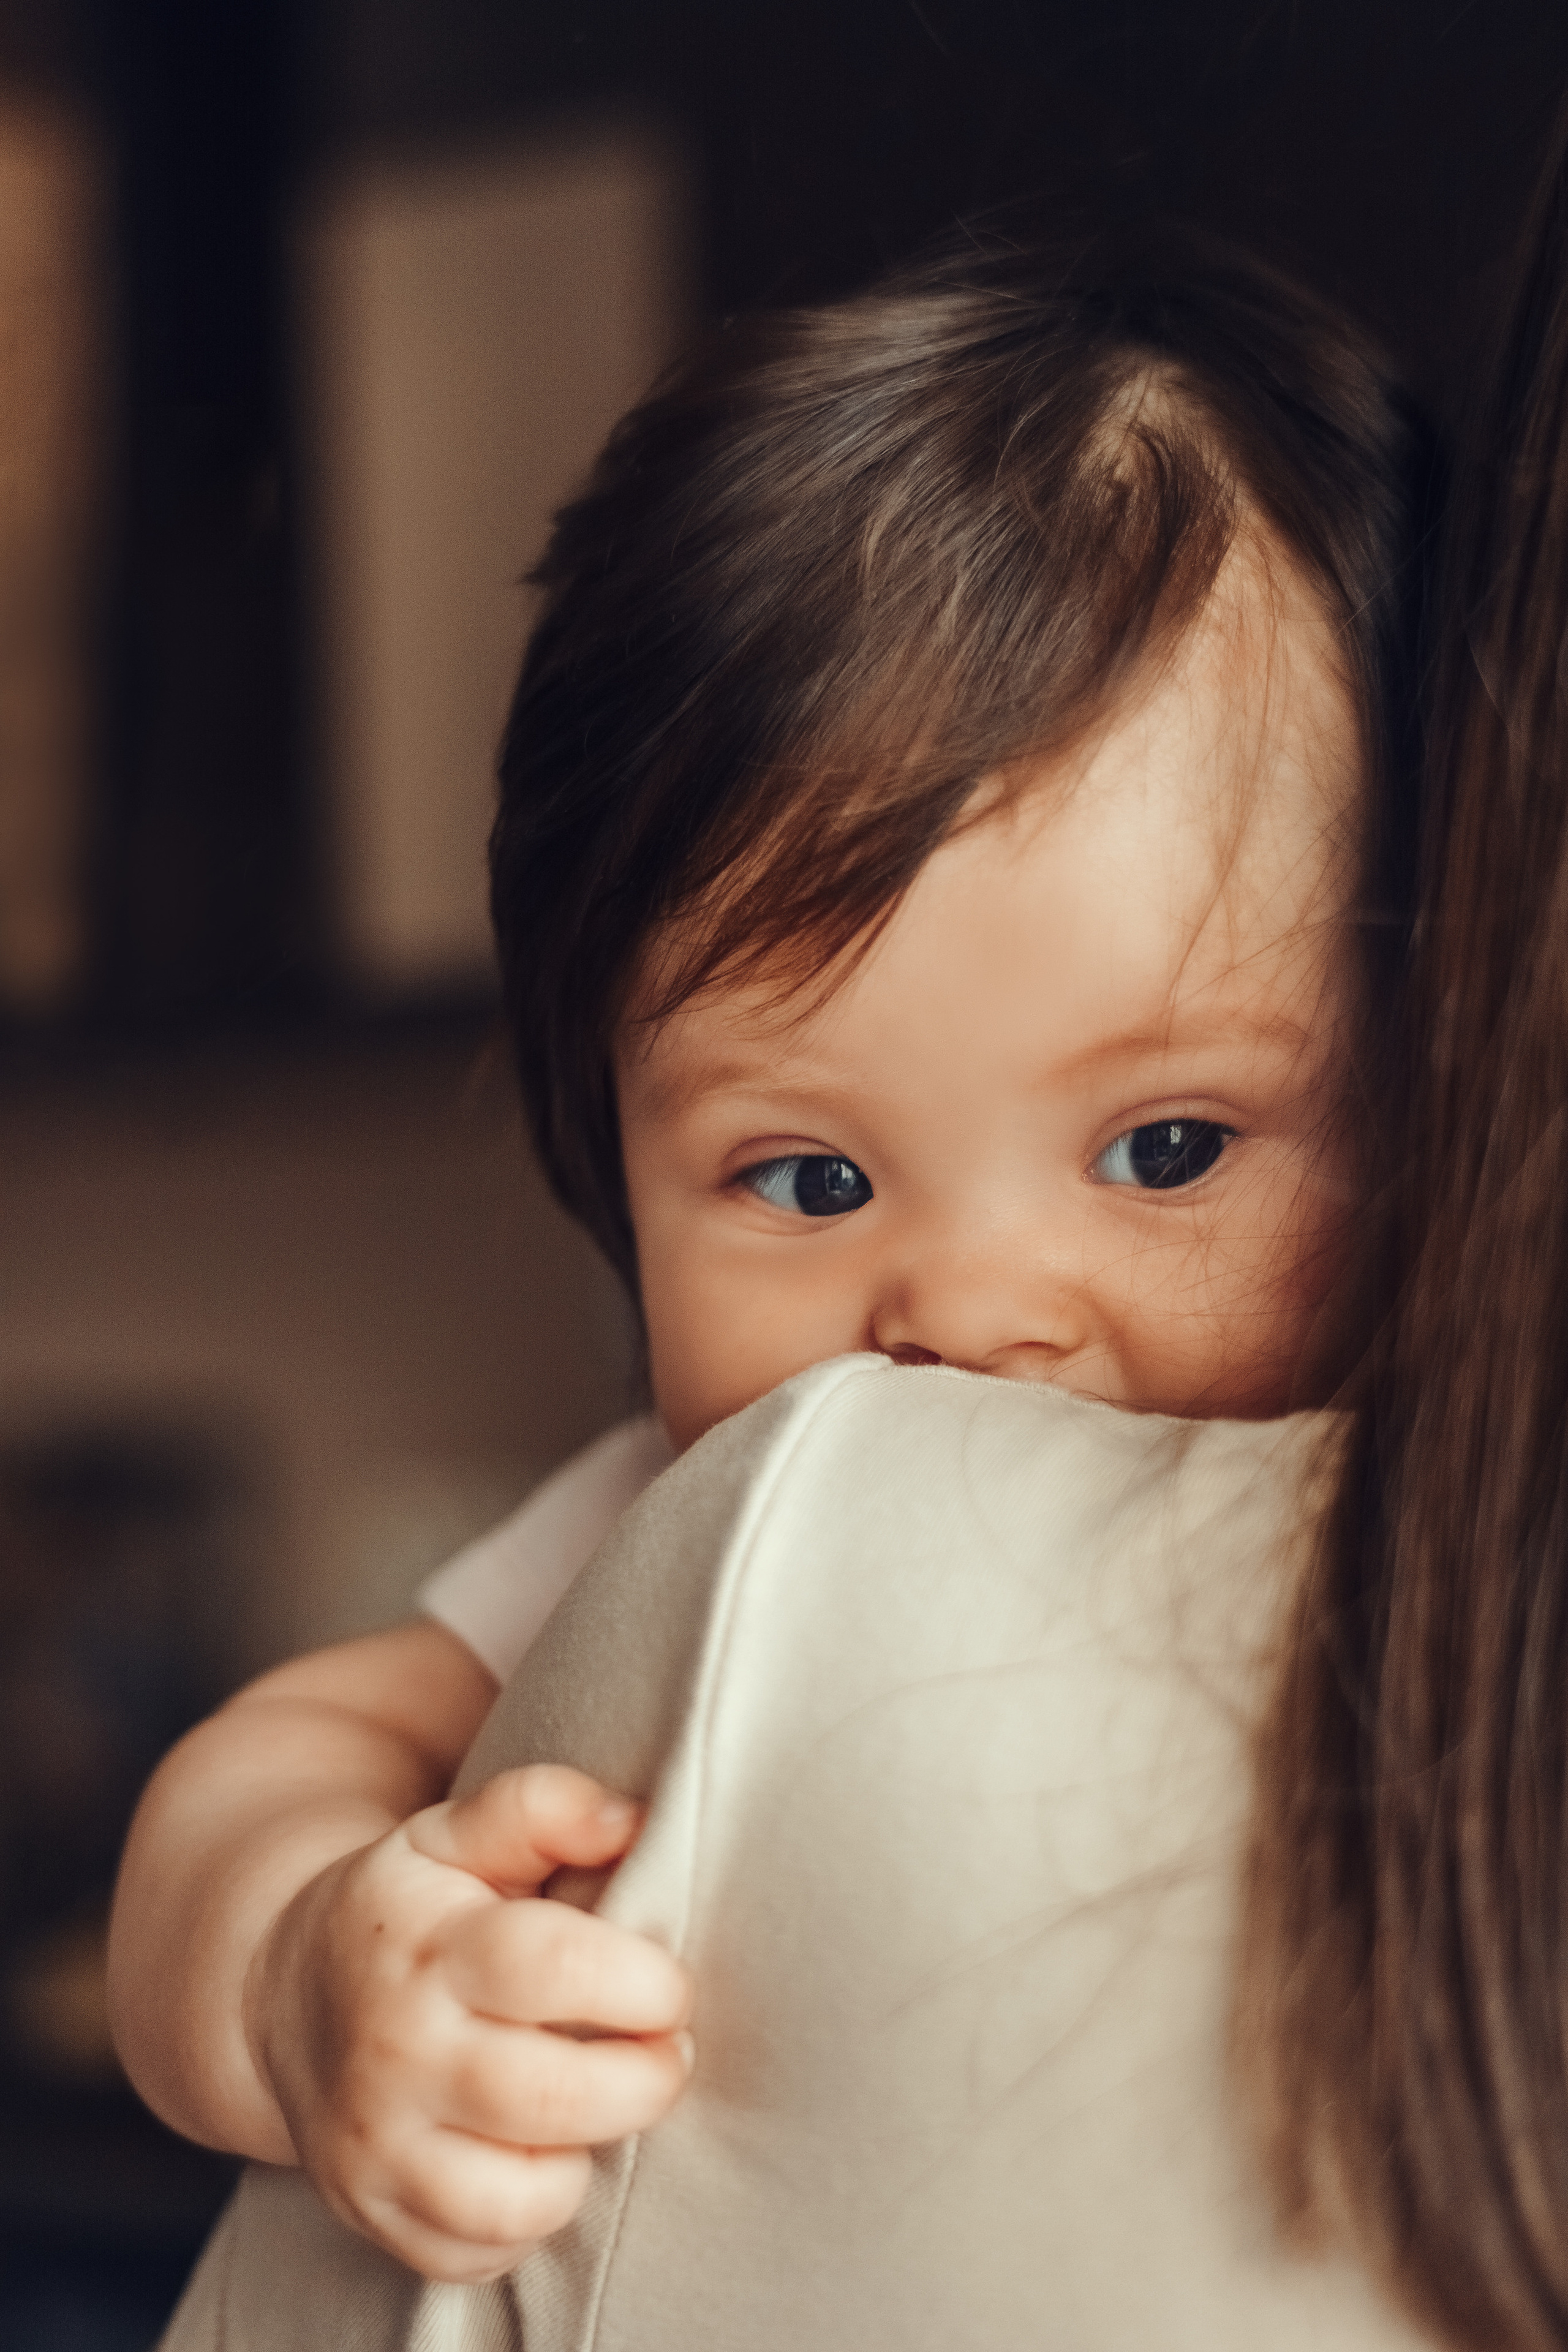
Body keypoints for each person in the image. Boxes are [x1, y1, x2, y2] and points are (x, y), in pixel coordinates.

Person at [107, 225, 1436, 2286]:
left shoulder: (1448, 1517)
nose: (974, 1314)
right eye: (808, 1181)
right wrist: (303, 1975)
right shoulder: (704, 1528)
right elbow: (274, 1763)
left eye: (1166, 1148)